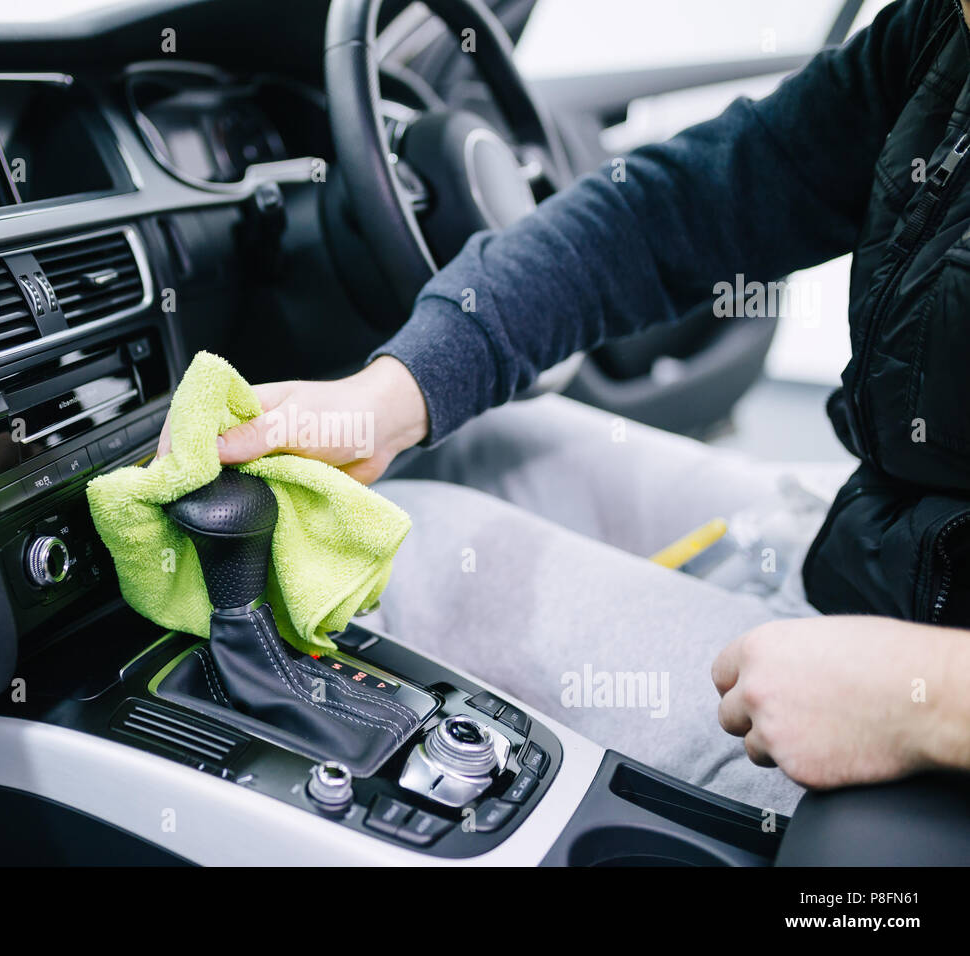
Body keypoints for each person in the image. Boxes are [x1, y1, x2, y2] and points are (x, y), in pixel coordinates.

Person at [164, 0, 970, 813]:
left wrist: (924, 698)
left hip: (915, 724)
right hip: (888, 554)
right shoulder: (944, 39)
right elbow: (678, 209)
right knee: (491, 442)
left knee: (403, 550)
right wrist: (394, 393)